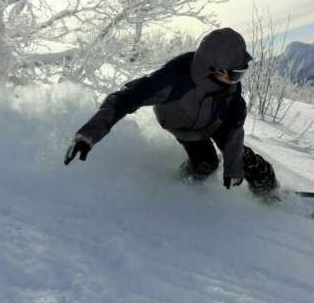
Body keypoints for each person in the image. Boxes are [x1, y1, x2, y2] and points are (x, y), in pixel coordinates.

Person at [64, 27, 278, 196]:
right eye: (234, 74)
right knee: (207, 164)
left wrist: (233, 168)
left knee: (242, 157)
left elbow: (233, 126)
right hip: (184, 125)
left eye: (240, 74)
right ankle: (185, 182)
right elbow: (123, 100)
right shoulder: (172, 81)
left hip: (214, 119)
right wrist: (88, 135)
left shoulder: (229, 88)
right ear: (215, 68)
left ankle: (269, 190)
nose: (236, 80)